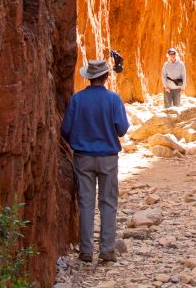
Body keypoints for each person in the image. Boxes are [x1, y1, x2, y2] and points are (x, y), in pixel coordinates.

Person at [60, 58, 130, 263]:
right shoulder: (113, 99)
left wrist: (78, 142)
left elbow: (65, 129)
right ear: (106, 76)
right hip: (108, 158)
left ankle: (86, 251)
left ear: (89, 78)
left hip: (83, 157)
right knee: (108, 203)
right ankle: (107, 251)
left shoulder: (77, 99)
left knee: (86, 203)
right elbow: (122, 129)